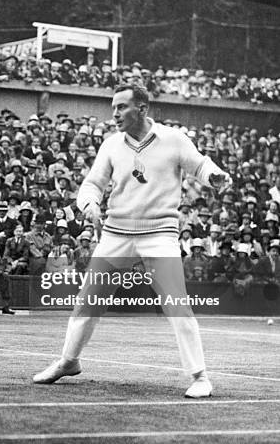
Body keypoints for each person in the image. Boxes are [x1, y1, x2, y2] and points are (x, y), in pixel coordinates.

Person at [33, 84, 231, 398]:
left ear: (142, 109)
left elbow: (201, 165)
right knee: (88, 301)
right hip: (115, 234)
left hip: (160, 235)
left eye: (122, 107)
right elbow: (93, 183)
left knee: (177, 304)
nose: (114, 114)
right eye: (113, 107)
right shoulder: (111, 144)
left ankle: (200, 377)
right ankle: (68, 362)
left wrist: (215, 176)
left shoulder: (174, 139)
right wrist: (89, 205)